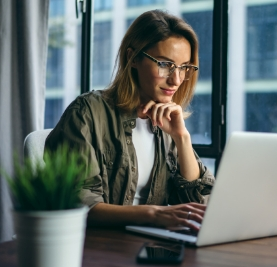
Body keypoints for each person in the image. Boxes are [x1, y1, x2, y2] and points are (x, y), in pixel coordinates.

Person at [45, 10, 214, 231]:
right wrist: (154, 214)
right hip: (101, 249)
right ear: (133, 58)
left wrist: (182, 138)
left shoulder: (166, 121)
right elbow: (80, 205)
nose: (177, 79)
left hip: (153, 247)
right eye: (165, 65)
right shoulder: (87, 113)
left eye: (184, 67)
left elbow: (199, 204)